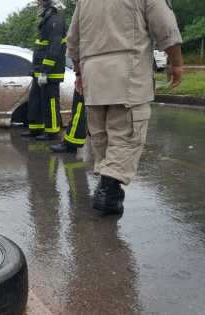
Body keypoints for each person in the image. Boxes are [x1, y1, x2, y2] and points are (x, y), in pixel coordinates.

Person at [67, 0, 184, 214]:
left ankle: (106, 187)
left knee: (102, 136)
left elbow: (73, 40)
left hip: (93, 76)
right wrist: (176, 62)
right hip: (128, 74)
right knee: (125, 135)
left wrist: (78, 72)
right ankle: (108, 193)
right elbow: (166, 27)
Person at [22, 0, 67, 141]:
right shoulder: (46, 22)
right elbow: (41, 48)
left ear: (48, 6)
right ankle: (35, 129)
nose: (39, 8)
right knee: (36, 100)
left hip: (50, 72)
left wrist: (45, 70)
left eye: (41, 5)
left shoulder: (55, 21)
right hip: (40, 70)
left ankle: (52, 132)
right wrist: (37, 69)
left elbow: (54, 48)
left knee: (51, 102)